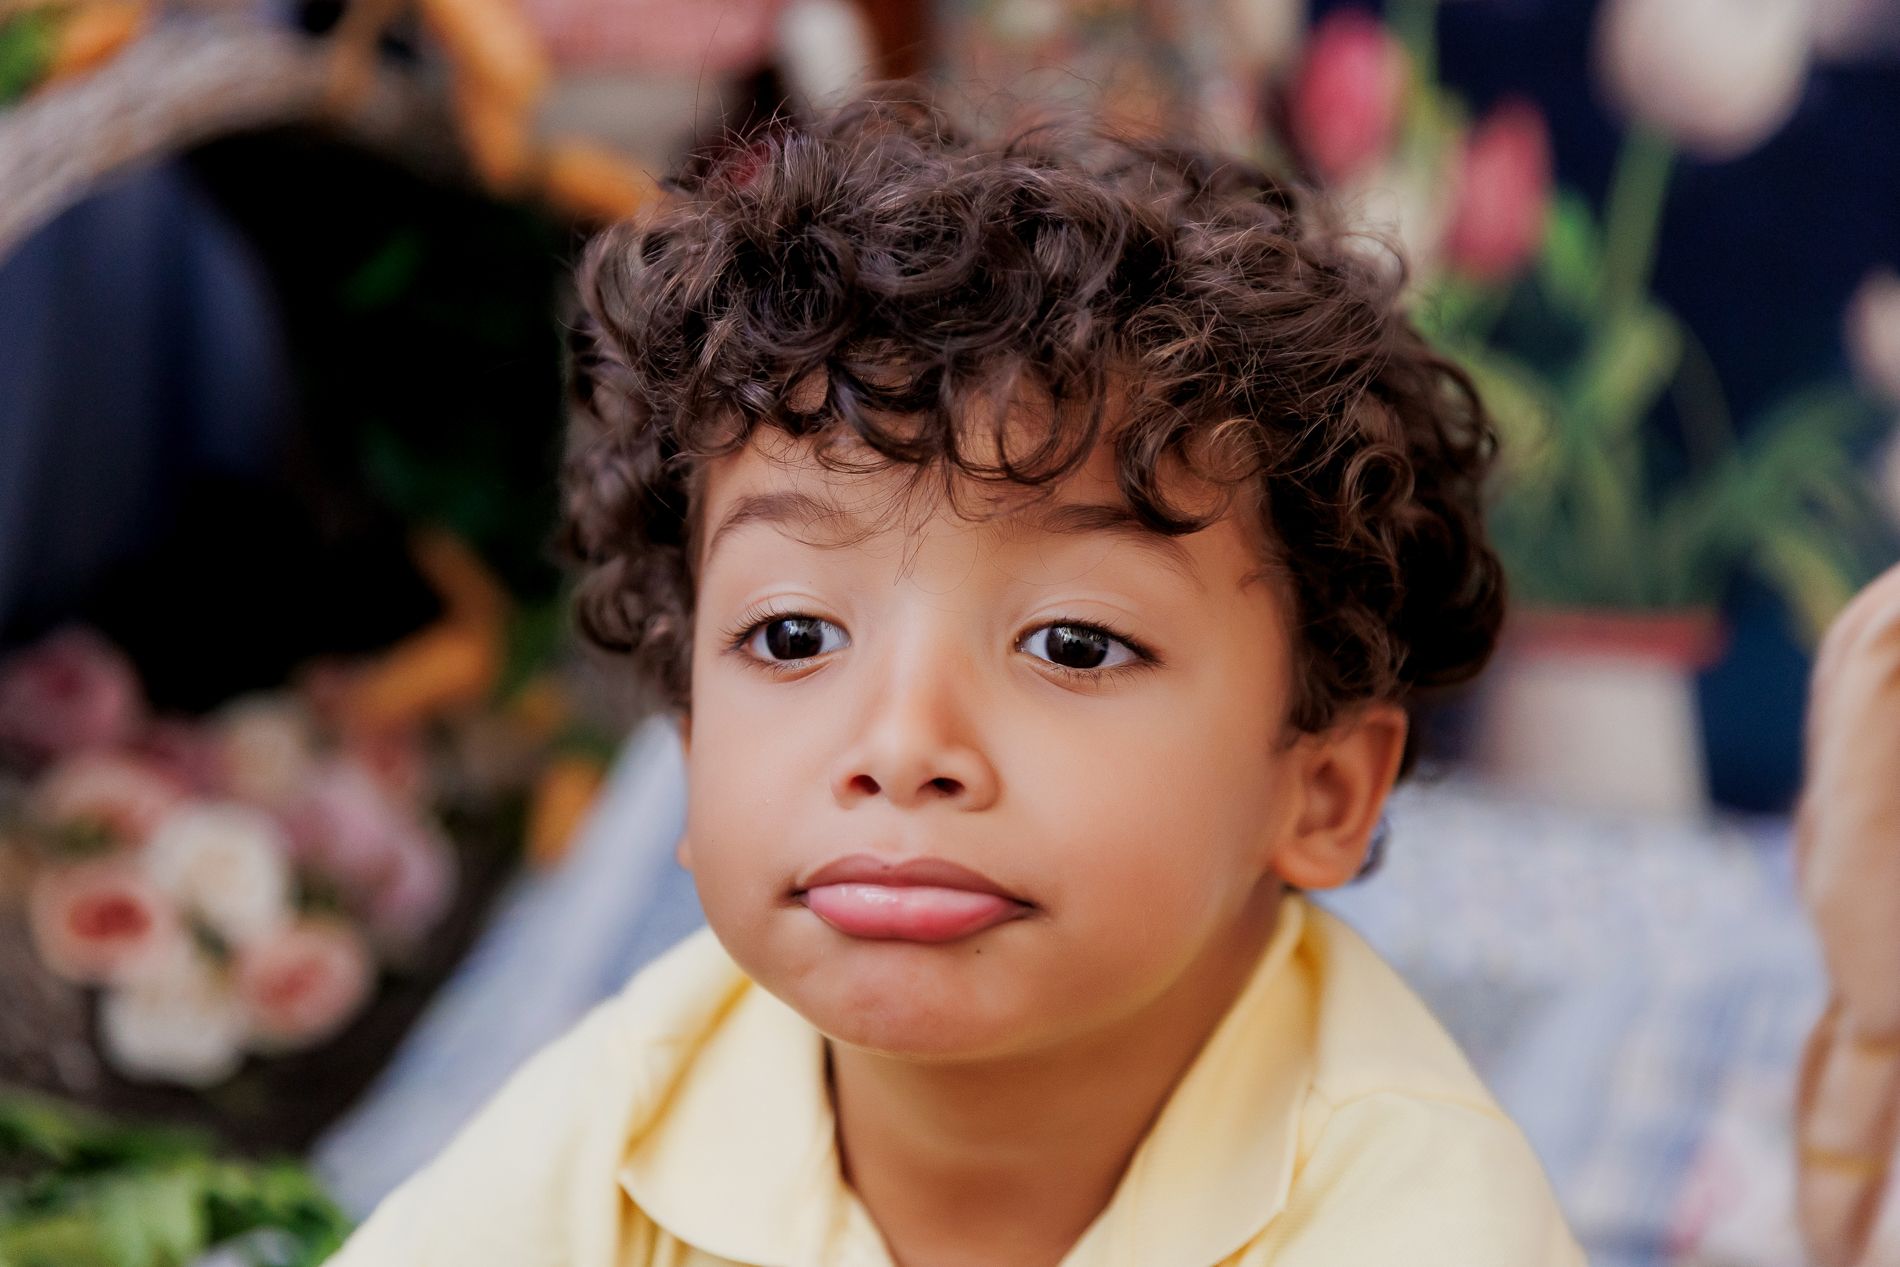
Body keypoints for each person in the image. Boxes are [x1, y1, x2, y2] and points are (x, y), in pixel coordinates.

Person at [327, 87, 1586, 1267]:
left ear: (1317, 793)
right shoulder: (625, 1110)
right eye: (791, 637)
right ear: (693, 742)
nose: (899, 741)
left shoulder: (1424, 1219)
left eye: (1075, 645)